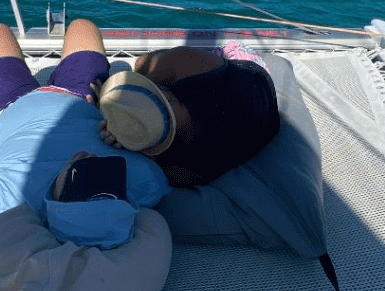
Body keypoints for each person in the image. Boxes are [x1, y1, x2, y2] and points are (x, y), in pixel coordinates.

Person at [0, 20, 171, 249]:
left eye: (80, 178)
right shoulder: (146, 184)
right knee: (83, 26)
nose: (89, 159)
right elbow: (154, 150)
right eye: (106, 183)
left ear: (55, 203)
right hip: (81, 100)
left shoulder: (3, 200)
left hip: (7, 108)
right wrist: (114, 122)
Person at [98, 42, 280, 187]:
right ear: (168, 96)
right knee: (144, 64)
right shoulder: (188, 65)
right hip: (259, 85)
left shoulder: (181, 171)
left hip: (260, 111)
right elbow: (141, 64)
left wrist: (122, 129)